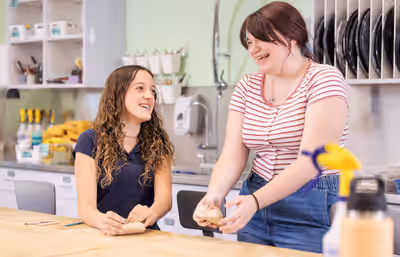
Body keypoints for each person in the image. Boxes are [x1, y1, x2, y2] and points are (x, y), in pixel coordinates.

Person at [193, 1, 349, 253]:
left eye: (259, 40)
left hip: (311, 200)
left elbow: (311, 162)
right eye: (249, 43)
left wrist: (256, 201)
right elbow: (233, 155)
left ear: (290, 36)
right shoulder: (248, 86)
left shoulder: (324, 79)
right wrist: (214, 195)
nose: (253, 49)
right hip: (255, 194)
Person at [74, 65, 174, 236]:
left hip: (146, 237)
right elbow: (86, 208)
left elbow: (164, 200)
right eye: (140, 88)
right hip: (104, 236)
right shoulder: (89, 140)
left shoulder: (158, 143)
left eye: (152, 90)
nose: (149, 96)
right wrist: (103, 222)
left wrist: (151, 213)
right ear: (118, 94)